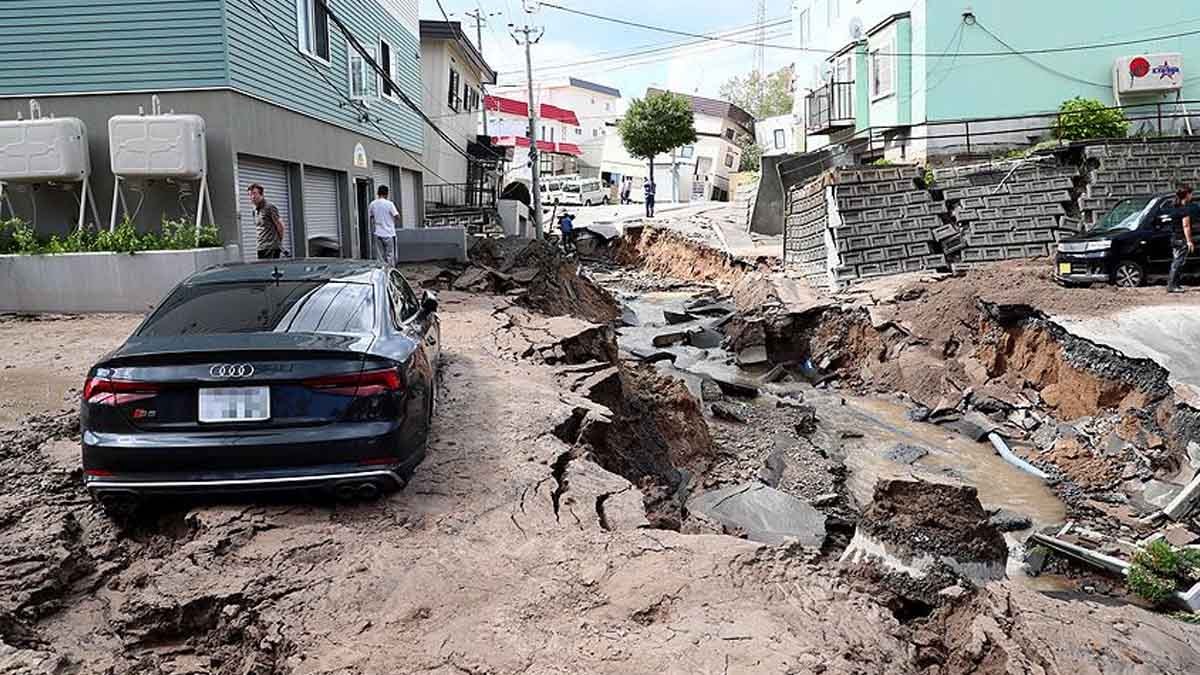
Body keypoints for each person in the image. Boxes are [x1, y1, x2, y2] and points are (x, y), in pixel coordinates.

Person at [1167, 184, 1197, 293]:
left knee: (1176, 261)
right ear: (1187, 195)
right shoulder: (1184, 210)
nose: (1192, 196)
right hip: (1181, 239)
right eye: (1191, 193)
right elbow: (1186, 226)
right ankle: (1172, 285)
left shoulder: (1174, 208)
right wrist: (1189, 241)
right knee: (1178, 262)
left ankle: (1174, 284)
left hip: (1174, 238)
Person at [249, 183, 285, 260]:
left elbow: (280, 226)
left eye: (254, 193)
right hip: (261, 247)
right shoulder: (254, 210)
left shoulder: (269, 207)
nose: (252, 197)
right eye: (250, 194)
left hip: (271, 247)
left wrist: (277, 242)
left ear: (261, 194)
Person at [369, 185, 400, 266]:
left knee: (379, 257)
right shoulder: (389, 204)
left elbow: (371, 217)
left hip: (378, 233)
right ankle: (390, 274)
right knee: (390, 255)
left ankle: (381, 274)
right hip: (389, 233)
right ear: (387, 194)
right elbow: (397, 216)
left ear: (378, 193)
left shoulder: (372, 204)